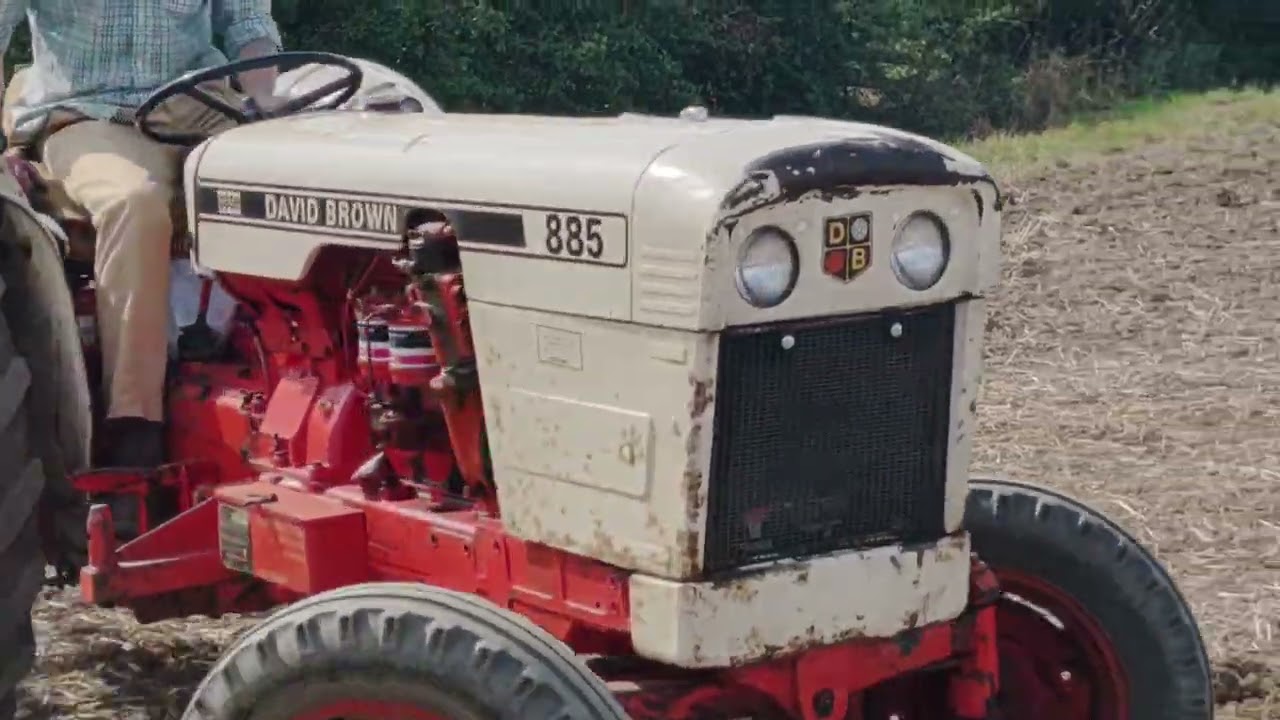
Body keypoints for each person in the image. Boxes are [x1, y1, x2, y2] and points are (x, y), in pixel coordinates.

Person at [0, 0, 283, 471]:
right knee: (136, 203)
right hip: (88, 114)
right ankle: (134, 424)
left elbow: (247, 22)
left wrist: (266, 104)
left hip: (201, 109)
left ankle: (307, 381)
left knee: (290, 177)